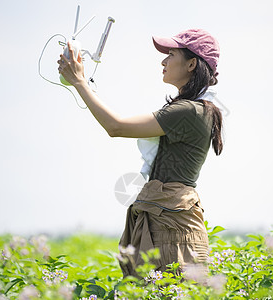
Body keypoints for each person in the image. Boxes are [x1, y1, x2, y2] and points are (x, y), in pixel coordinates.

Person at [57, 28, 224, 277]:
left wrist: (80, 82)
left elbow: (116, 126)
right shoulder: (193, 109)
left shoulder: (190, 111)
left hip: (172, 228)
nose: (163, 60)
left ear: (191, 64)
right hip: (171, 223)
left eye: (171, 54)